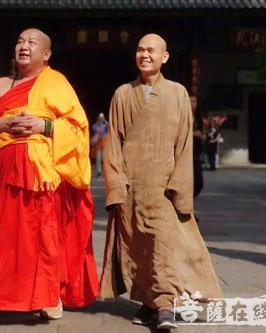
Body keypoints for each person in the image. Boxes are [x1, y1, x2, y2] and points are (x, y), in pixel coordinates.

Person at [0, 28, 99, 326]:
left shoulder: (56, 82)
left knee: (41, 236)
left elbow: (77, 126)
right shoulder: (2, 84)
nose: (24, 46)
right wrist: (6, 121)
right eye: (20, 40)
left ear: (46, 54)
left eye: (32, 43)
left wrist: (43, 126)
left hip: (41, 172)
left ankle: (47, 296)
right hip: (5, 167)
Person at [100, 34, 223, 330]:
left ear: (164, 57)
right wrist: (116, 185)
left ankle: (165, 304)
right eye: (140, 50)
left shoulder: (178, 93)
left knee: (163, 245)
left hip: (164, 184)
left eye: (151, 51)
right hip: (131, 185)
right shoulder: (122, 94)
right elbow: (112, 143)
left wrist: (180, 185)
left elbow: (184, 144)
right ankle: (147, 301)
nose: (145, 55)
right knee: (138, 247)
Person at [190, 95, 206, 197]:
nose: (193, 104)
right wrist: (193, 133)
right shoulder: (182, 116)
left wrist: (202, 135)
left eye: (195, 102)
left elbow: (200, 131)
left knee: (198, 179)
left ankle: (194, 193)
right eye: (190, 102)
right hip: (185, 150)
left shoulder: (198, 118)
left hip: (195, 150)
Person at [90, 112, 109, 177]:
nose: (101, 119)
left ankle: (105, 171)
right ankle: (99, 172)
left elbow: (109, 126)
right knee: (98, 158)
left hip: (104, 143)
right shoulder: (95, 125)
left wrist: (104, 120)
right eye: (100, 117)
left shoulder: (105, 125)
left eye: (102, 117)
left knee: (104, 158)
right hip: (98, 144)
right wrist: (99, 123)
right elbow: (94, 128)